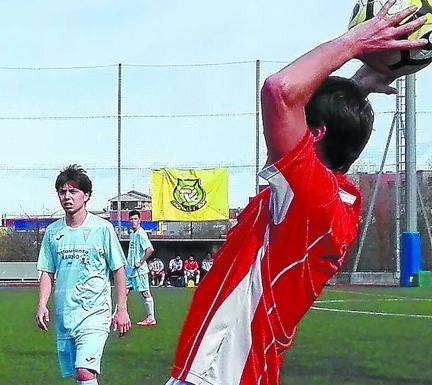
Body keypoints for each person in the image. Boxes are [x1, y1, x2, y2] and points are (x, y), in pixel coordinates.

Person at [165, 3, 429, 385]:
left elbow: (279, 91)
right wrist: (357, 85)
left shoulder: (310, 195)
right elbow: (327, 122)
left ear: (316, 134)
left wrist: (356, 41)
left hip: (218, 374)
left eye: (304, 121)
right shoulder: (337, 202)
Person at [36, 164, 131, 385]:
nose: (67, 197)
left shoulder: (102, 229)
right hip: (66, 315)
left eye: (73, 191)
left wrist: (122, 309)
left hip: (95, 314)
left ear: (86, 195)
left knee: (84, 371)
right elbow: (47, 271)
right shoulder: (53, 232)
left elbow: (118, 269)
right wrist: (42, 304)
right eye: (62, 191)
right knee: (79, 376)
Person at [125, 209, 156, 326]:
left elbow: (150, 249)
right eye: (131, 219)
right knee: (124, 292)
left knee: (145, 293)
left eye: (135, 219)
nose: (133, 221)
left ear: (139, 220)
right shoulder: (132, 233)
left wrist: (141, 261)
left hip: (139, 271)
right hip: (130, 270)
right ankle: (117, 314)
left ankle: (151, 318)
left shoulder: (141, 233)